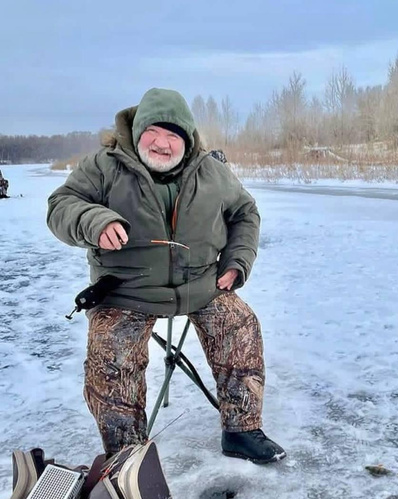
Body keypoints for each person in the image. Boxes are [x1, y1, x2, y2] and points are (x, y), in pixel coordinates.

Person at [47, 88, 286, 464]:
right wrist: (95, 221)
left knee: (240, 325)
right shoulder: (103, 166)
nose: (162, 143)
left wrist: (237, 261)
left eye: (173, 135)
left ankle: (242, 430)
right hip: (126, 292)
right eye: (153, 132)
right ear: (136, 132)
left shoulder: (212, 171)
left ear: (187, 140)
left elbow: (245, 212)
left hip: (202, 286)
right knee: (113, 351)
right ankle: (126, 456)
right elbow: (61, 206)